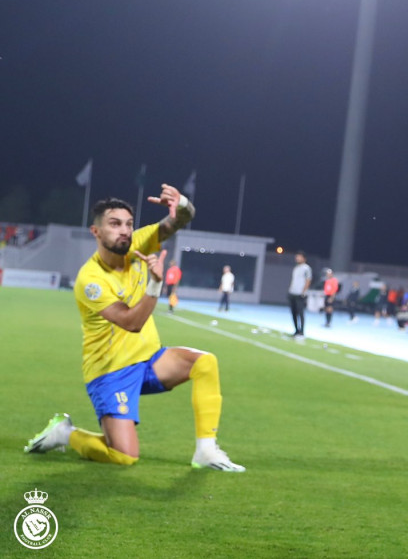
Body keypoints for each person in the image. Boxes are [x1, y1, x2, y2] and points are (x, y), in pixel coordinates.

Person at [24, 188, 244, 471]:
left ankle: (206, 451)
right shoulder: (90, 280)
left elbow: (181, 218)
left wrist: (183, 203)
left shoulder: (140, 242)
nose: (125, 230)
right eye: (114, 224)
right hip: (110, 373)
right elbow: (132, 323)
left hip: (149, 361)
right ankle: (66, 433)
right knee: (124, 457)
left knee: (205, 362)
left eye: (128, 223)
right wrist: (155, 284)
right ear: (96, 231)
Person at [288, 251, 311, 339]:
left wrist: (303, 292)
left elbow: (308, 280)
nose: (297, 258)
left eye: (299, 256)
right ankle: (296, 330)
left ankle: (302, 331)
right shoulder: (296, 268)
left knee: (300, 313)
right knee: (293, 313)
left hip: (300, 294)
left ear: (304, 258)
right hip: (292, 292)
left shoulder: (306, 268)